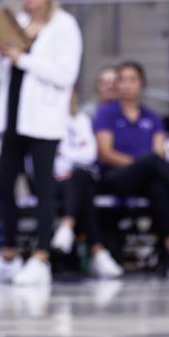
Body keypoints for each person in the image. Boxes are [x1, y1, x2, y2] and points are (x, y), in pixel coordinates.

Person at [0, 0, 82, 286]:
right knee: (4, 187)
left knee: (43, 188)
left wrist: (22, 58)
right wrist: (0, 53)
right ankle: (9, 254)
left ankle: (42, 256)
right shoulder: (21, 25)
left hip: (44, 120)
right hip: (13, 116)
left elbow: (65, 75)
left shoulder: (64, 26)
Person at [94, 62, 169, 271]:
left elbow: (160, 152)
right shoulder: (106, 114)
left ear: (142, 84)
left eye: (132, 80)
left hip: (147, 179)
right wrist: (140, 164)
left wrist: (145, 167)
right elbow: (105, 152)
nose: (127, 85)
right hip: (115, 177)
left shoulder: (152, 117)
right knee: (152, 163)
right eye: (122, 80)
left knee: (160, 189)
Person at [51, 96, 121, 278]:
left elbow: (89, 154)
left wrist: (64, 154)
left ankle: (67, 225)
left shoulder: (81, 119)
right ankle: (98, 252)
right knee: (83, 189)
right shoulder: (43, 122)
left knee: (80, 177)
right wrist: (73, 156)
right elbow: (46, 160)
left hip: (78, 178)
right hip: (52, 182)